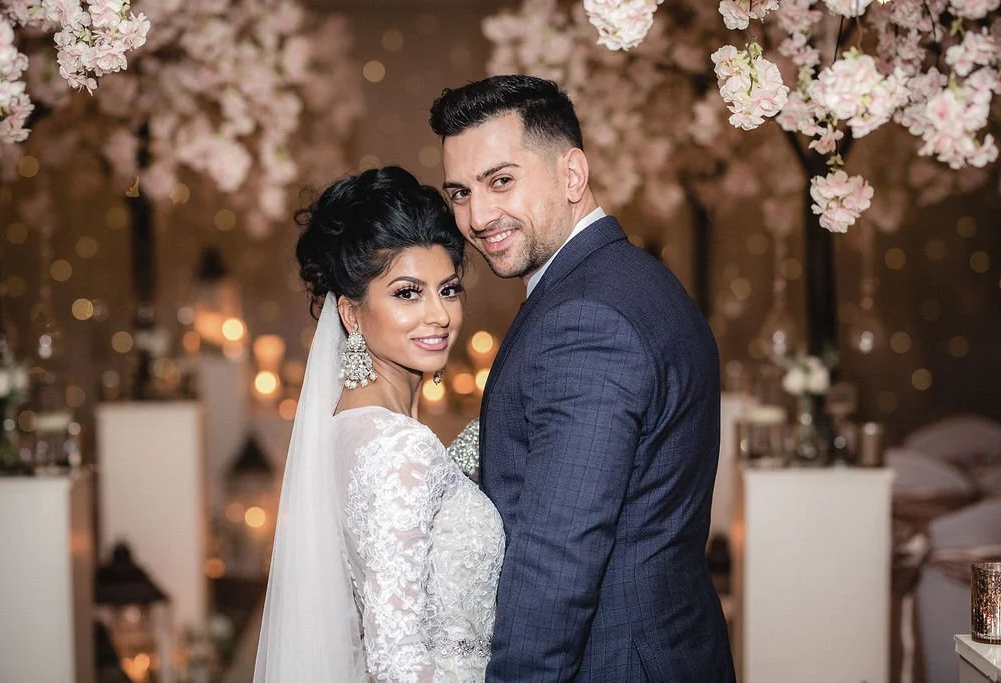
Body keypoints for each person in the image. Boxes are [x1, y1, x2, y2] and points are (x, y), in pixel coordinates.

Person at [430, 75, 735, 682]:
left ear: (572, 175)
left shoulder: (585, 320)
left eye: (501, 181)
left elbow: (556, 563)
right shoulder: (633, 281)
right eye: (460, 193)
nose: (478, 215)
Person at [253, 166, 504, 682]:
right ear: (351, 313)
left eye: (449, 289)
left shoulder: (351, 426)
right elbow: (398, 663)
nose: (439, 315)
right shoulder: (397, 448)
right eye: (408, 293)